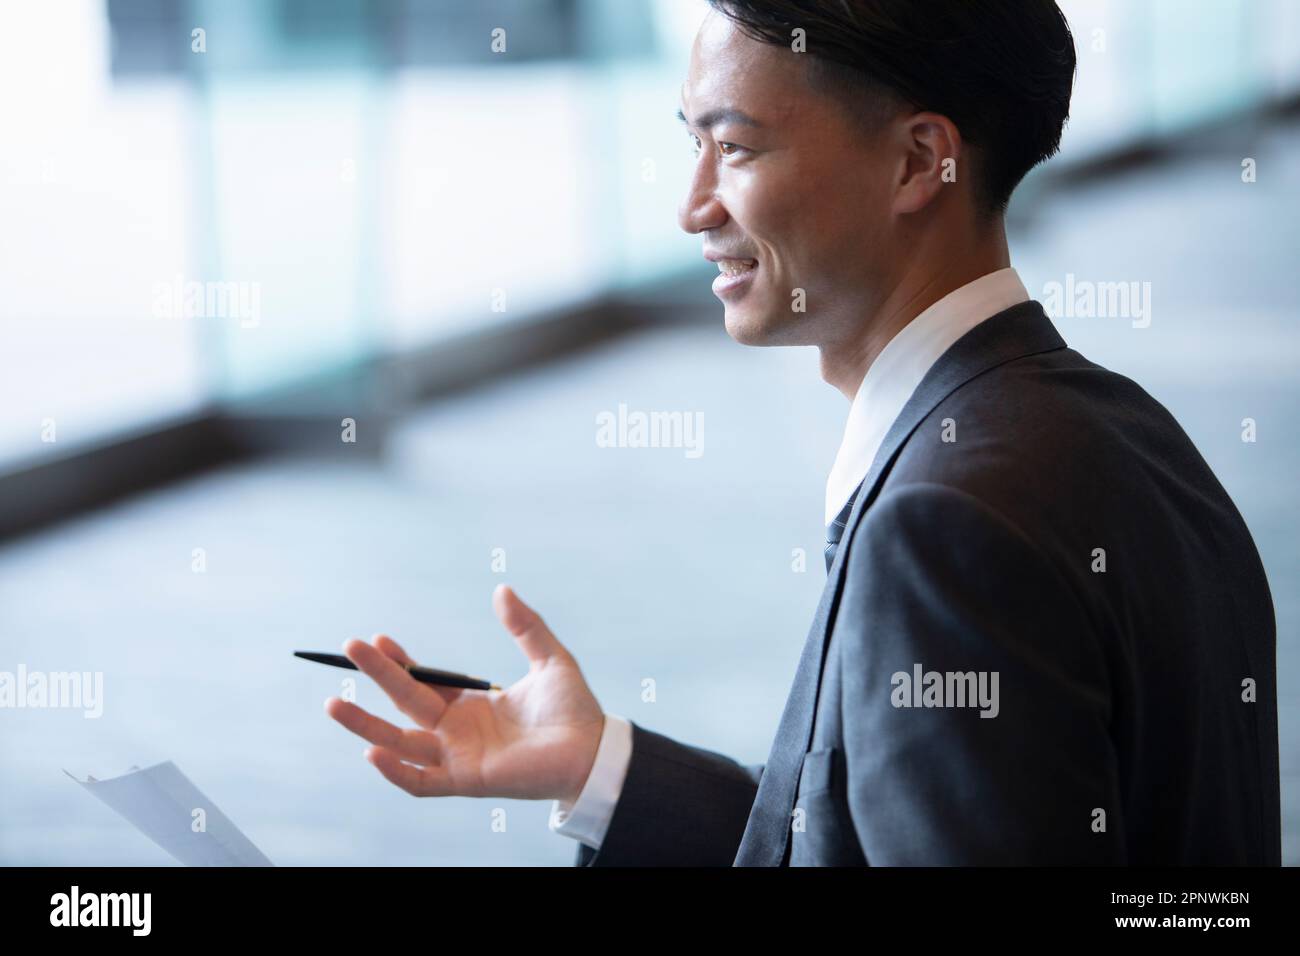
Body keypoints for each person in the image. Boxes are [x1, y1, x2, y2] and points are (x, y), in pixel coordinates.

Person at [324, 0, 1280, 865]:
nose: (693, 206)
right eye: (692, 146)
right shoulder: (1125, 435)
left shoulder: (944, 528)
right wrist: (601, 772)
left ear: (917, 162)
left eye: (734, 148)